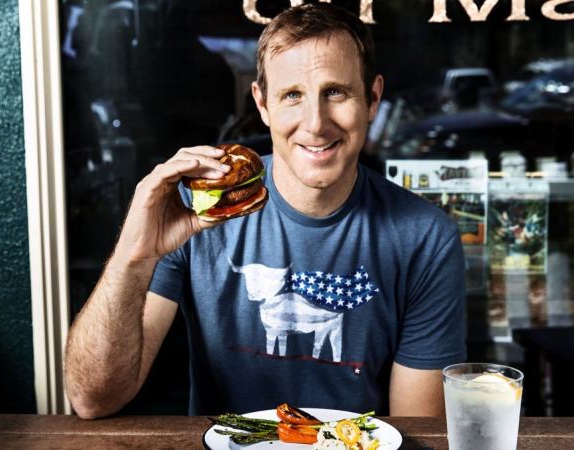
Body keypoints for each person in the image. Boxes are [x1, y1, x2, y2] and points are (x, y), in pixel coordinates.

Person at [65, 3, 466, 419]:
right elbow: (93, 398)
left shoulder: (425, 237)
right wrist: (133, 257)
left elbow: (415, 428)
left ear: (373, 99)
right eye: (292, 95)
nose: (315, 123)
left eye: (335, 92)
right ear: (262, 103)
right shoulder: (199, 210)